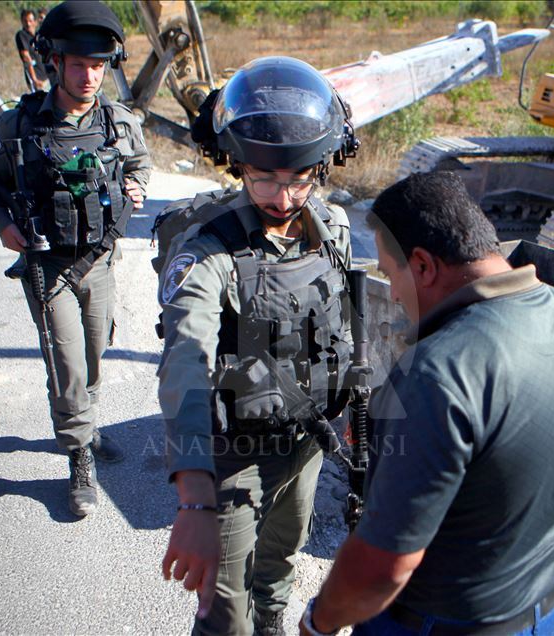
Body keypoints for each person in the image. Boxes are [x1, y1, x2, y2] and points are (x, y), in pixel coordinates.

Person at [298, 171, 554, 636]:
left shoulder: (436, 372)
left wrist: (318, 622)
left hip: (439, 624)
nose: (392, 293)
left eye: (390, 275)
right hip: (542, 611)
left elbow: (383, 567)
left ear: (424, 266)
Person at [158, 56, 359, 636]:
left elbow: (343, 322)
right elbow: (186, 363)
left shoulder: (334, 227)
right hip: (234, 458)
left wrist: (351, 408)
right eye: (264, 178)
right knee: (225, 615)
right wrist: (194, 497)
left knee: (279, 568)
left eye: (300, 178)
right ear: (238, 166)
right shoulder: (208, 252)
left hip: (307, 441)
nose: (283, 195)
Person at [0, 0, 151, 519]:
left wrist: (135, 186)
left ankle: (85, 429)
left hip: (99, 260)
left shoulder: (119, 122)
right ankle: (77, 456)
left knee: (94, 356)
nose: (90, 76)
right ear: (54, 62)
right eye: (79, 65)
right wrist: (3, 225)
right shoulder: (20, 123)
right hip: (47, 267)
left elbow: (140, 164)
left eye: (99, 66)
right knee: (67, 364)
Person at [15, 8, 46, 93]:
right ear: (22, 22)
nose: (28, 24)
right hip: (36, 79)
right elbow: (26, 58)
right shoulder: (22, 35)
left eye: (30, 21)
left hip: (48, 76)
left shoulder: (39, 36)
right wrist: (34, 79)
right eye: (25, 21)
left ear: (35, 22)